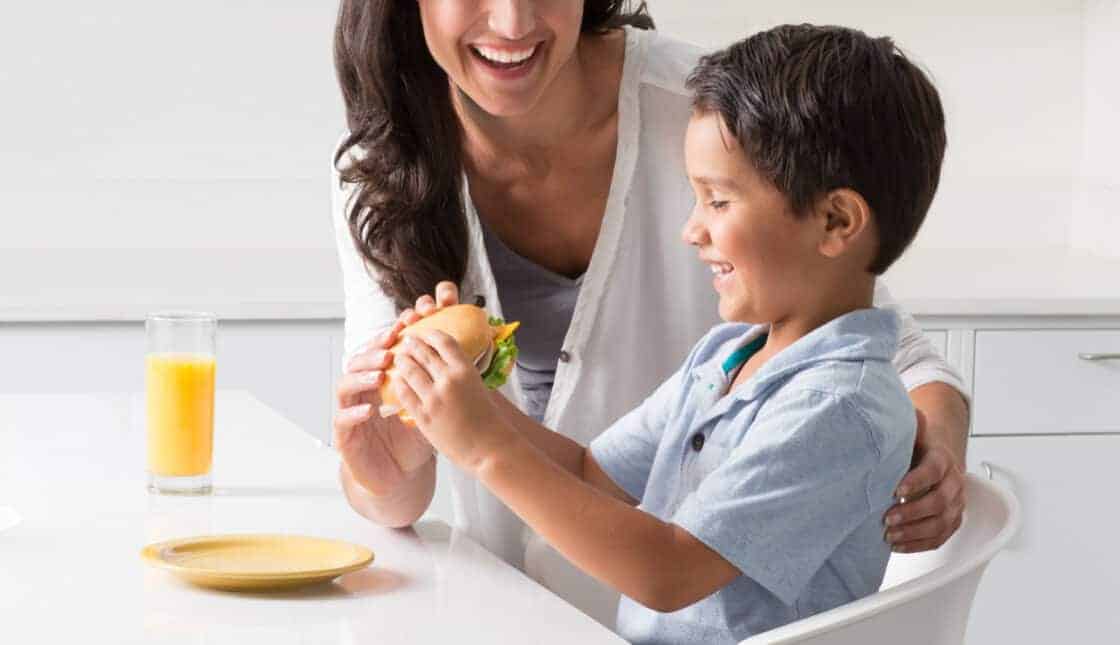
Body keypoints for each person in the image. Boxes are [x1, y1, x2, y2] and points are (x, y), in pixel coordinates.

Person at [330, 0, 969, 622]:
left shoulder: (727, 116)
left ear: (835, 219)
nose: (513, 20)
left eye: (715, 200)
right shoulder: (726, 354)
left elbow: (668, 574)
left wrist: (486, 444)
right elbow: (590, 469)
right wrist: (447, 409)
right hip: (512, 613)